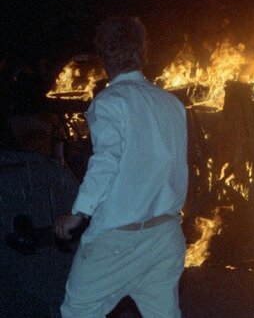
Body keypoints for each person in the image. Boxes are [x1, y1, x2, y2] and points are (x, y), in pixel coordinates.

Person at [54, 16, 188, 317]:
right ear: (143, 52)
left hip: (118, 239)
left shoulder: (109, 102)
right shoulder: (172, 105)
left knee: (78, 311)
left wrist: (78, 214)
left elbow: (106, 162)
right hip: (165, 236)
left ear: (103, 57)